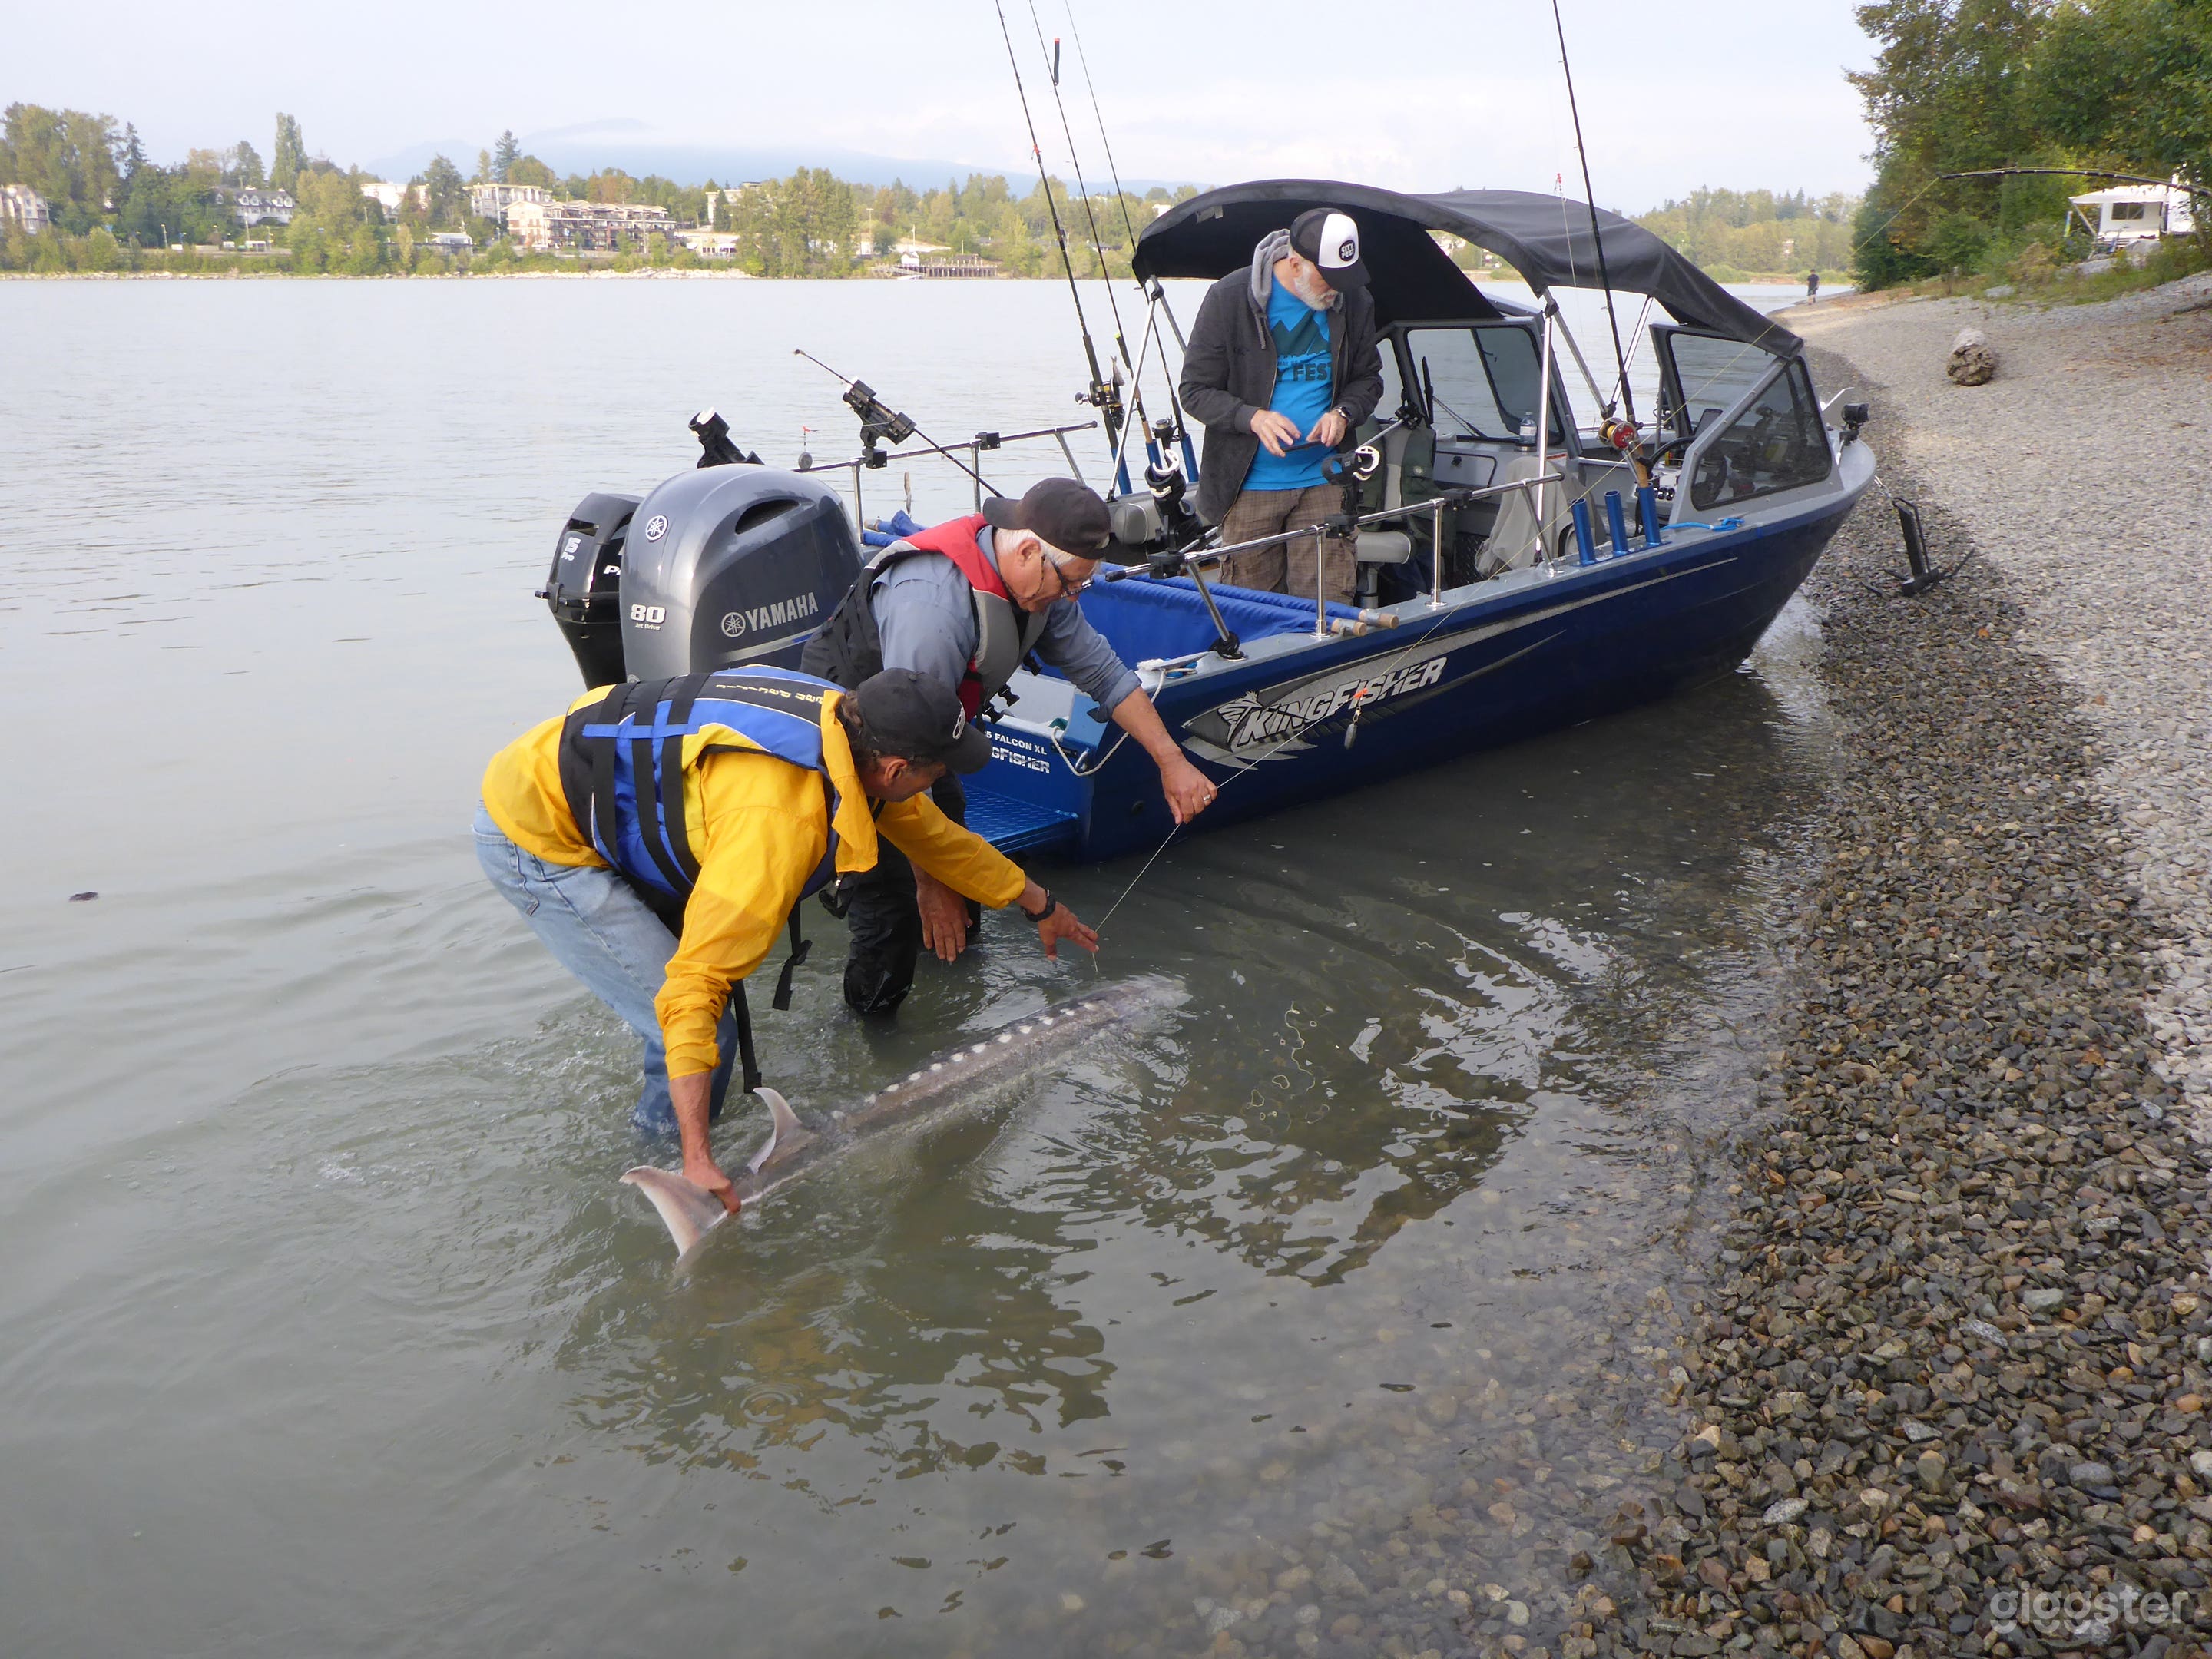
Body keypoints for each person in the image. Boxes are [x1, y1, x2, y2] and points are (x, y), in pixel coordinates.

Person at [475, 664, 1098, 1210]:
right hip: (538, 836)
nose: (934, 785)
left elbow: (939, 841)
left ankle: (685, 1137)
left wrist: (1042, 906)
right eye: (936, 774)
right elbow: (696, 985)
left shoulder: (850, 734)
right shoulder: (781, 823)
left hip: (614, 790)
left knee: (691, 1003)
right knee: (703, 1023)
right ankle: (669, 1180)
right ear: (896, 768)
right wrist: (699, 1156)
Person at [802, 476, 1217, 1015]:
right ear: (1028, 551)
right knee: (892, 904)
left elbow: (1105, 674)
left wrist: (1171, 761)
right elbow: (905, 753)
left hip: (930, 734)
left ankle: (954, 1008)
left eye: (1080, 588)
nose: (1071, 598)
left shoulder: (1045, 584)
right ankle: (874, 1036)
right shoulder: (933, 609)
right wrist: (931, 883)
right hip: (863, 748)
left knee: (961, 880)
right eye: (1070, 585)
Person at [1178, 207, 1386, 604]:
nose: (1336, 290)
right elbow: (1194, 390)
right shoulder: (1228, 298)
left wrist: (1344, 413)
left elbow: (1369, 380)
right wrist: (1251, 417)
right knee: (1253, 613)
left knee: (1328, 612)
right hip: (1249, 488)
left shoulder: (1355, 300)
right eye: (1329, 279)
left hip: (1325, 481)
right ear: (1295, 263)